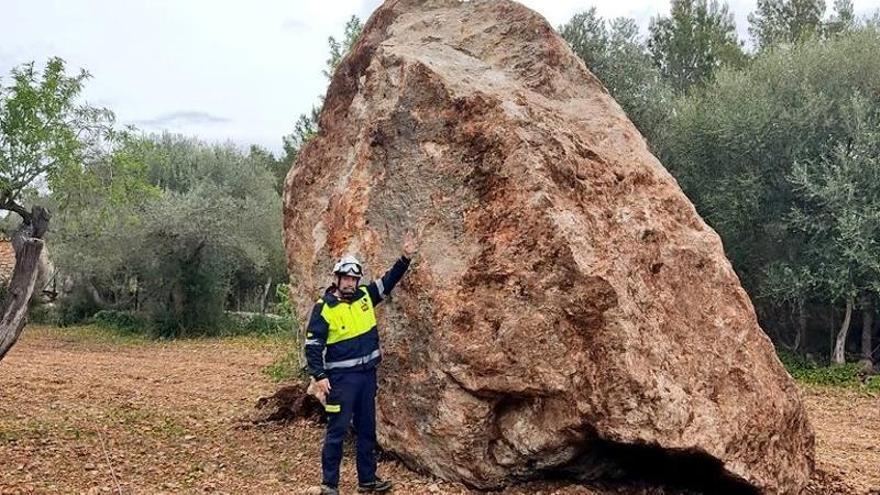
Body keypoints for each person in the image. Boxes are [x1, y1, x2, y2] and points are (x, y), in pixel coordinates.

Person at [305, 236, 416, 494]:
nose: (350, 283)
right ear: (337, 278)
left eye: (354, 279)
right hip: (341, 381)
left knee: (367, 430)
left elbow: (389, 281)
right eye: (346, 278)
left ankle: (368, 481)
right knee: (337, 431)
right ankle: (329, 484)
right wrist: (318, 375)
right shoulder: (324, 308)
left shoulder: (365, 296)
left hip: (367, 377)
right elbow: (313, 345)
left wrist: (405, 257)